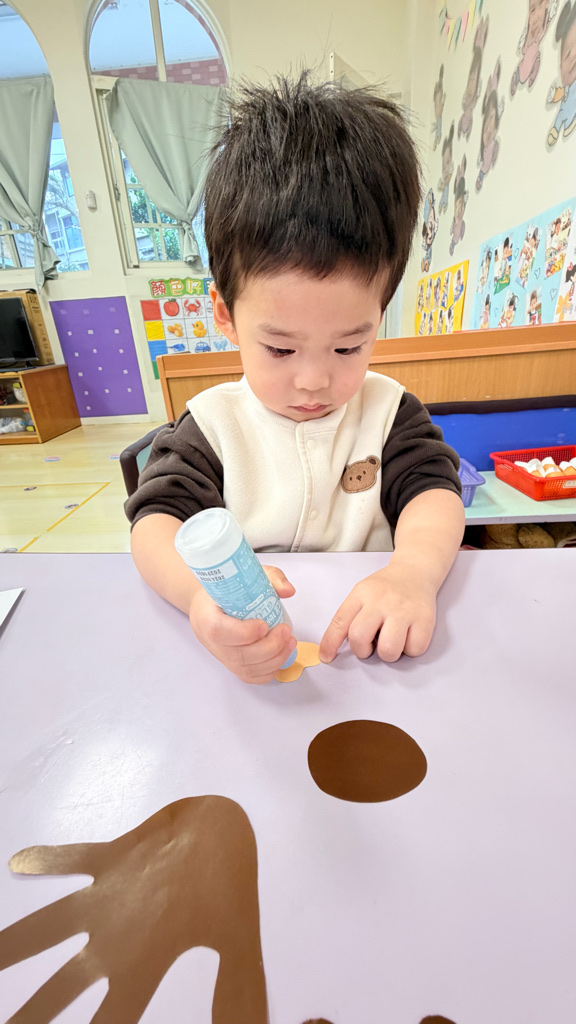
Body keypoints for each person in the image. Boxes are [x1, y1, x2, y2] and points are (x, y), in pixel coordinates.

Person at [126, 74, 464, 685]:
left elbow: (434, 492)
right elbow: (156, 523)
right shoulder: (214, 425)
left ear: (380, 313)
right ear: (226, 315)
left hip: (370, 656)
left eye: (348, 346)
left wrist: (413, 572)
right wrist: (199, 600)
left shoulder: (388, 411)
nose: (314, 381)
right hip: (252, 651)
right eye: (280, 348)